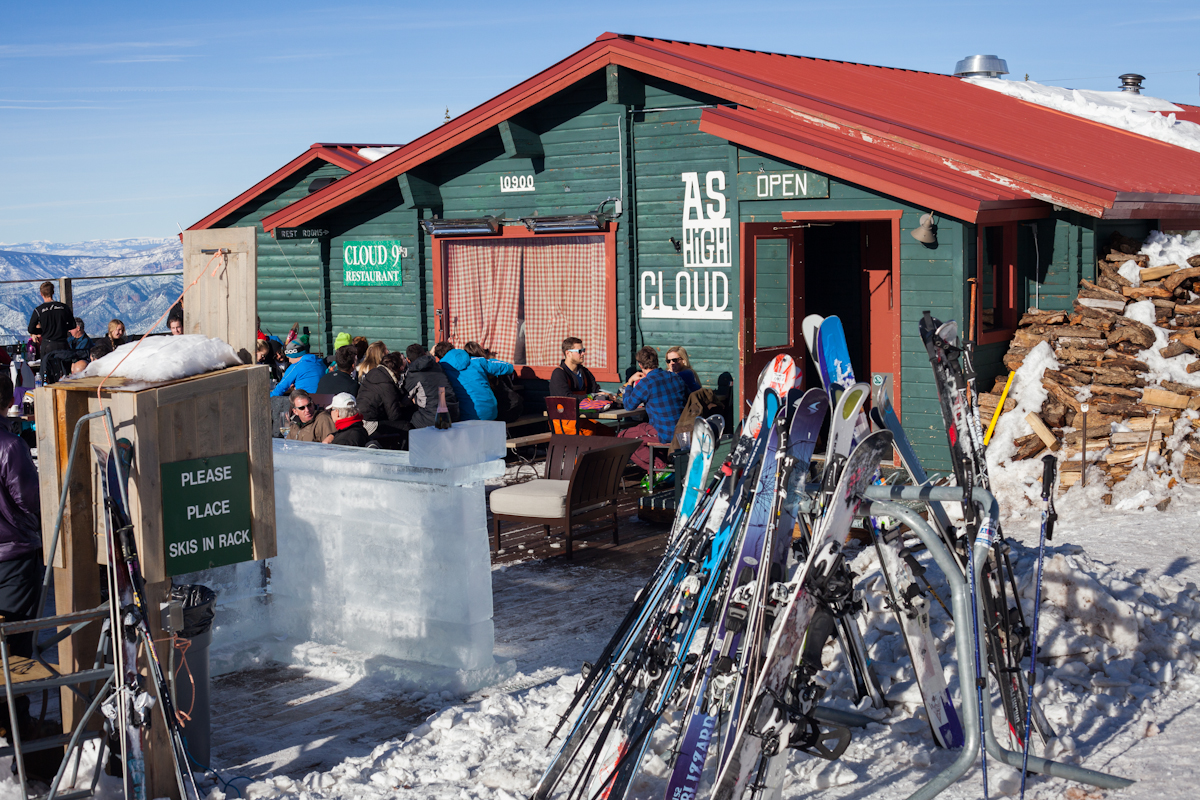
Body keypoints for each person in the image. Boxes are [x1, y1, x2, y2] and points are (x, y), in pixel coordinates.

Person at [0, 373, 43, 663]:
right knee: (15, 650)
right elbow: (31, 501)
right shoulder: (11, 446)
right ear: (9, 400)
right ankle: (15, 709)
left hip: (11, 553)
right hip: (14, 558)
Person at [618, 346, 687, 473]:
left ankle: (661, 469)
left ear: (640, 364)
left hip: (663, 432)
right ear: (657, 360)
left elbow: (628, 405)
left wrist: (630, 383)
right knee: (644, 430)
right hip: (682, 430)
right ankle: (663, 466)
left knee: (623, 438)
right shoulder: (675, 377)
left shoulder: (646, 383)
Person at [433, 341, 514, 421]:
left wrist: (430, 355)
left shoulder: (440, 368)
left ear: (438, 356)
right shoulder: (476, 361)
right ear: (454, 348)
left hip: (466, 415)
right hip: (490, 411)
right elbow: (508, 367)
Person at [403, 344, 459, 428]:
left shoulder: (413, 374)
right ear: (425, 354)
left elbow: (404, 399)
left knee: (408, 422)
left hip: (433, 417)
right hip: (453, 412)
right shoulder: (438, 366)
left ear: (408, 360)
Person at [26, 282, 73, 380]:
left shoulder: (39, 310)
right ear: (53, 292)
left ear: (41, 294)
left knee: (47, 373)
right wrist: (62, 328)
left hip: (48, 345)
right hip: (63, 344)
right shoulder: (63, 307)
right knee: (65, 372)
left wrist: (43, 330)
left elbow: (30, 329)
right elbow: (72, 325)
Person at [358, 351, 411, 435]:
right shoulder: (387, 384)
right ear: (399, 368)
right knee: (406, 426)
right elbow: (394, 416)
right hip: (370, 424)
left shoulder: (373, 373)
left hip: (361, 417)